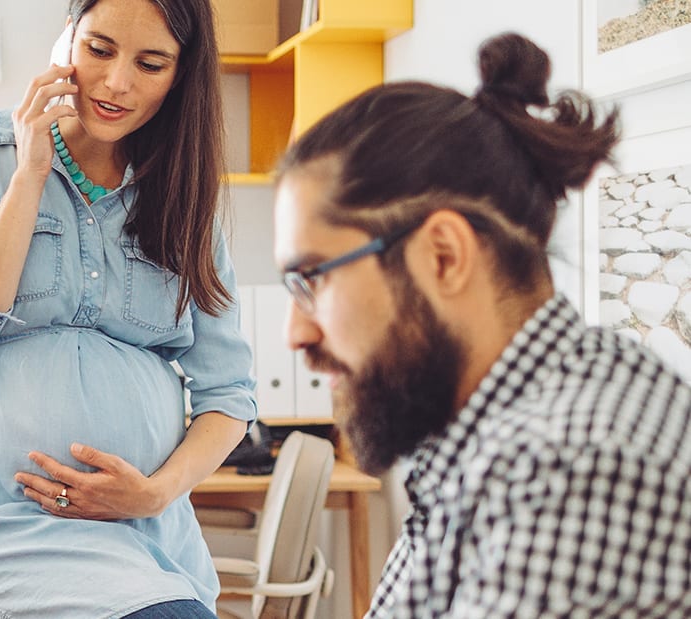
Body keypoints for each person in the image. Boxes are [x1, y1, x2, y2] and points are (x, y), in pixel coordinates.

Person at [272, 31, 691, 617]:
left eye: (311, 279)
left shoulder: (570, 468)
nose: (295, 332)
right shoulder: (481, 439)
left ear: (443, 257)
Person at [0, 0, 257, 617]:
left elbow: (228, 395)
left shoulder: (184, 196)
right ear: (66, 40)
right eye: (99, 49)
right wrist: (31, 171)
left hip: (151, 538)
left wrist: (153, 496)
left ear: (180, 76)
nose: (117, 82)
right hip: (6, 528)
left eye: (150, 64)